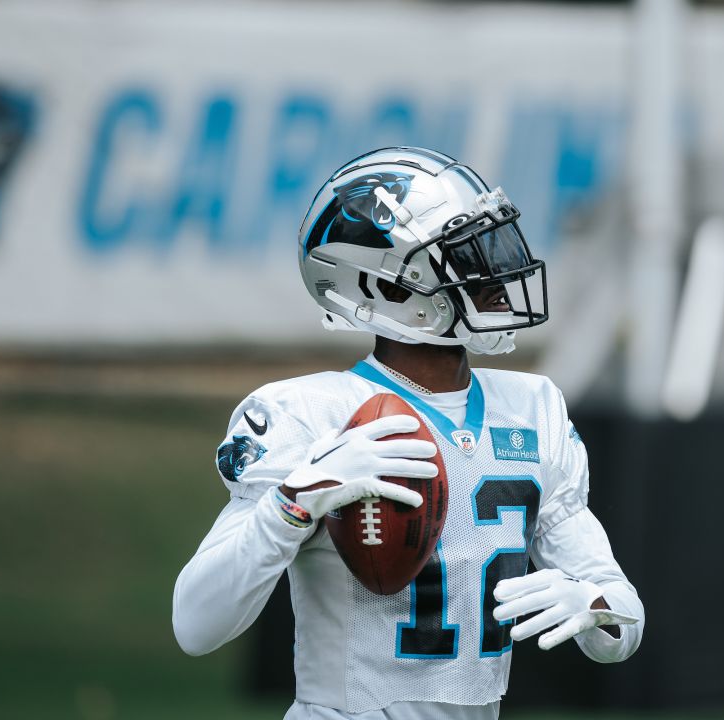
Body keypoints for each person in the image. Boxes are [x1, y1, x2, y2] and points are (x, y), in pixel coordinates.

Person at [173, 147, 644, 719]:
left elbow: (621, 620)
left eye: (493, 246)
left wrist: (593, 603)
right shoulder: (311, 412)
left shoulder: (532, 407)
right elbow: (195, 625)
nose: (498, 272)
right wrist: (291, 505)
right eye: (466, 256)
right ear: (390, 287)